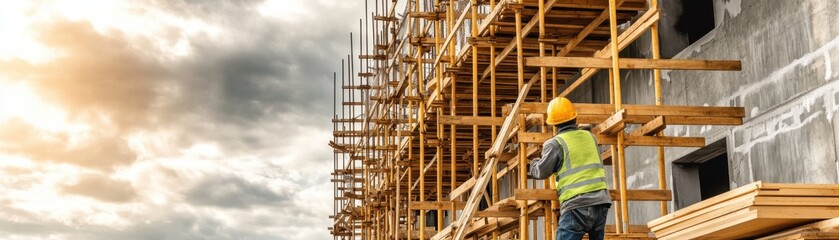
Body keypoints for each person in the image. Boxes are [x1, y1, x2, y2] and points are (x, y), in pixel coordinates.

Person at [529, 97, 611, 240]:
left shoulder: (555, 143)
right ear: (574, 118)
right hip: (600, 203)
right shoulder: (590, 137)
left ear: (553, 124)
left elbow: (542, 171)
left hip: (577, 206)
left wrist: (533, 163)